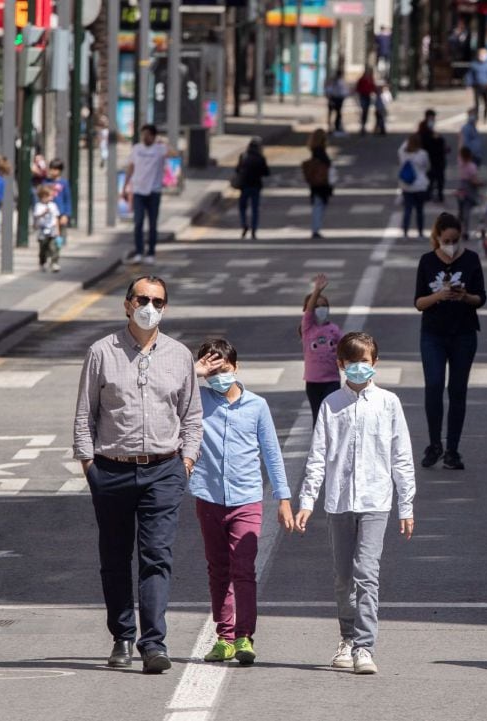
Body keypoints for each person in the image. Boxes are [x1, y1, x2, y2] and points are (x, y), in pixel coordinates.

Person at [73, 275, 203, 674]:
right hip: (111, 470)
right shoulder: (101, 352)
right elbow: (84, 415)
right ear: (127, 304)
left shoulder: (179, 355)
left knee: (157, 557)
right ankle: (122, 636)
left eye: (158, 302)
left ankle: (154, 643)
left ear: (165, 308)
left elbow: (192, 415)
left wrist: (186, 461)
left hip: (164, 470)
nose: (150, 307)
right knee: (114, 558)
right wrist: (90, 466)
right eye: (143, 299)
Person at [296, 331, 416, 675]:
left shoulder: (388, 403)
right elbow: (318, 455)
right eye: (352, 363)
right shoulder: (332, 404)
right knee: (343, 576)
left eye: (364, 362)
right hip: (339, 502)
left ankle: (365, 646)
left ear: (374, 363)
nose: (359, 368)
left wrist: (406, 506)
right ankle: (346, 638)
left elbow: (401, 455)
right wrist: (308, 501)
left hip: (376, 500)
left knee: (367, 573)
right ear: (340, 365)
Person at [190, 338, 293, 666]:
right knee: (218, 569)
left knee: (243, 568)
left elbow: (272, 453)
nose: (219, 376)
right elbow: (168, 389)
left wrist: (283, 497)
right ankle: (224, 638)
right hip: (208, 497)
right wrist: (194, 372)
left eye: (225, 369)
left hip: (247, 499)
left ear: (237, 367)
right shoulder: (196, 400)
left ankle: (244, 636)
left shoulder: (256, 406)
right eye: (212, 371)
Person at [413, 213, 487, 471]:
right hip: (433, 333)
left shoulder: (471, 260)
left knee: (457, 390)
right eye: (447, 240)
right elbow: (418, 302)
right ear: (437, 238)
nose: (452, 244)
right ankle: (434, 444)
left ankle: (453, 449)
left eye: (456, 240)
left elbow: (481, 298)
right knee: (433, 386)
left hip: (464, 333)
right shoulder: (427, 261)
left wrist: (465, 296)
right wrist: (439, 296)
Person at [123, 124, 176, 265]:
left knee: (152, 224)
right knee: (138, 222)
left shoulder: (159, 149)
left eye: (148, 134)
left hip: (154, 191)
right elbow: (131, 167)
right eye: (143, 134)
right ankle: (139, 252)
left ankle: (151, 252)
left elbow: (174, 153)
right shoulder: (137, 149)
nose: (145, 137)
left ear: (153, 136)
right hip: (138, 191)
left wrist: (163, 142)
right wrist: (125, 186)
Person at [300, 274, 342, 424]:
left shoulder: (334, 329)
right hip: (313, 382)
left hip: (332, 380)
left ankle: (333, 446)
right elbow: (309, 312)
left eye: (324, 306)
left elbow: (345, 349)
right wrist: (317, 290)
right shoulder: (308, 329)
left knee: (331, 417)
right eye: (317, 306)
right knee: (317, 417)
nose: (321, 309)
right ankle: (318, 447)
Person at [234, 138, 270, 240]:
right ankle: (254, 230)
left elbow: (237, 169)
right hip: (255, 186)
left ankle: (244, 224)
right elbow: (266, 172)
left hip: (244, 186)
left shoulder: (243, 156)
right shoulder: (260, 158)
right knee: (255, 209)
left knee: (242, 207)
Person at [398, 133, 431, 240]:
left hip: (407, 186)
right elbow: (427, 167)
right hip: (420, 186)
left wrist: (408, 142)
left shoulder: (403, 153)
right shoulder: (422, 154)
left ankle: (405, 232)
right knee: (420, 210)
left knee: (407, 209)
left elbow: (401, 148)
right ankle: (420, 233)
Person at [302, 129, 333, 240]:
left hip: (315, 182)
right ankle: (316, 229)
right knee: (319, 206)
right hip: (322, 183)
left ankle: (316, 228)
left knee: (317, 205)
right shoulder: (321, 152)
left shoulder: (314, 150)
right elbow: (327, 165)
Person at [41, 158, 72, 252]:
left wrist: (66, 214)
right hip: (48, 214)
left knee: (58, 236)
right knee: (46, 236)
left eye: (55, 169)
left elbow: (67, 199)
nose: (52, 171)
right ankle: (46, 253)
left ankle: (55, 256)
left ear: (60, 170)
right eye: (51, 168)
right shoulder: (46, 182)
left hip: (60, 213)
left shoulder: (64, 183)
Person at [419, 110, 448, 204]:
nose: (433, 121)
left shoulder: (433, 133)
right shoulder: (424, 132)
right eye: (431, 118)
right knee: (431, 179)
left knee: (438, 179)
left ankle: (437, 195)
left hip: (438, 160)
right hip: (431, 160)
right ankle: (429, 194)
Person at [33, 184, 63, 272]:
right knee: (43, 248)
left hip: (52, 229)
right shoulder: (38, 206)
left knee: (54, 247)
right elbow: (37, 216)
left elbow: (56, 218)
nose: (51, 197)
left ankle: (54, 263)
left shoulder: (53, 205)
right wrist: (44, 213)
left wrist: (58, 230)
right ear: (43, 196)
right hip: (42, 230)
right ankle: (43, 262)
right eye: (49, 196)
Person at [456, 147, 483, 240]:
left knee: (461, 211)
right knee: (468, 211)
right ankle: (466, 231)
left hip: (461, 188)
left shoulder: (460, 164)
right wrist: (480, 183)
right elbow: (474, 180)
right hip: (469, 189)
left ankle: (458, 229)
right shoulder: (472, 166)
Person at [466, 49, 487, 122]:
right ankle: (477, 118)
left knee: (486, 103)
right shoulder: (474, 64)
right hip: (477, 86)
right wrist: (468, 85)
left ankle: (485, 118)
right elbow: (470, 76)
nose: (483, 57)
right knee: (477, 103)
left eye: (484, 55)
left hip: (486, 86)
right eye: (481, 55)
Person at [355, 70, 376, 135]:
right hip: (363, 96)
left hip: (367, 96)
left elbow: (373, 87)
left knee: (366, 111)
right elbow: (358, 88)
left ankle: (363, 125)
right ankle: (363, 125)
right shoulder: (362, 80)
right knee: (363, 110)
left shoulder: (370, 80)